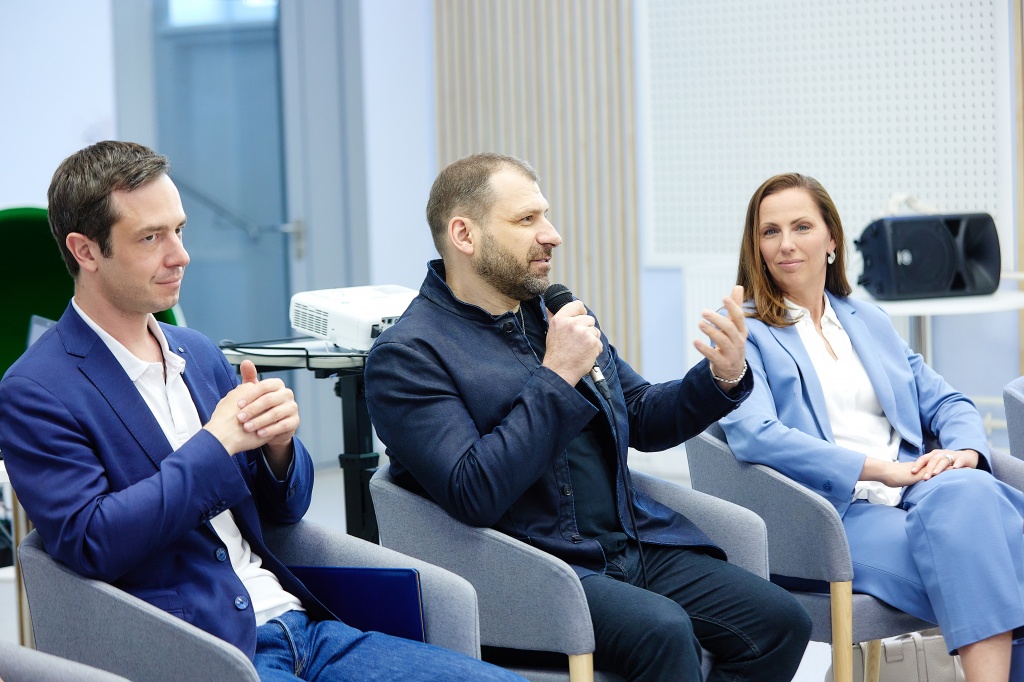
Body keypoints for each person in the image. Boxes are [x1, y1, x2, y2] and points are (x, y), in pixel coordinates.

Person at [0, 141, 523, 682]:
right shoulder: (36, 390)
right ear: (86, 251)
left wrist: (278, 449)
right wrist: (216, 443)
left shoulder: (197, 352)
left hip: (307, 629)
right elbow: (92, 542)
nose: (179, 255)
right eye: (151, 238)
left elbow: (286, 511)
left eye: (179, 230)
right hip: (208, 651)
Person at [364, 152, 812, 681]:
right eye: (527, 219)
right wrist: (557, 376)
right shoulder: (407, 356)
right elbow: (473, 491)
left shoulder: (557, 315)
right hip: (533, 565)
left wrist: (721, 377)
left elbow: (640, 415)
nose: (551, 235)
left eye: (545, 215)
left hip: (628, 544)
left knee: (781, 622)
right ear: (465, 235)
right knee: (664, 632)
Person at [719, 172, 1024, 681]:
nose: (786, 243)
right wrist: (880, 470)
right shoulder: (744, 331)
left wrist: (964, 453)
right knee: (998, 561)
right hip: (832, 513)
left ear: (832, 240)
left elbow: (948, 402)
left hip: (918, 489)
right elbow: (756, 435)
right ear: (756, 248)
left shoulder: (866, 319)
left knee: (968, 490)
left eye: (801, 226)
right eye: (770, 231)